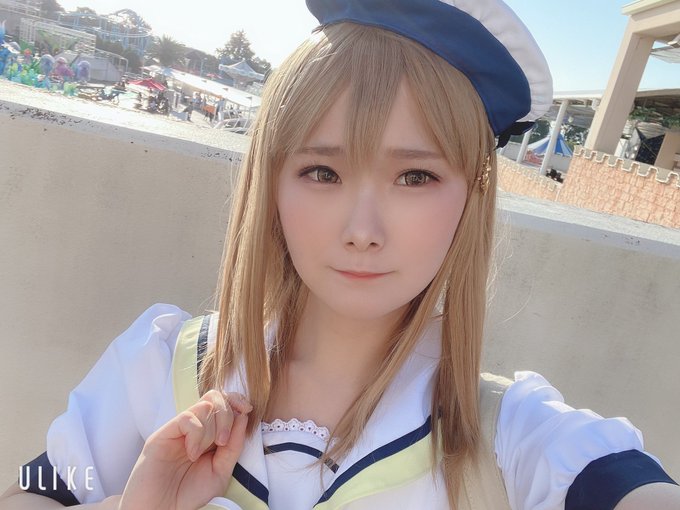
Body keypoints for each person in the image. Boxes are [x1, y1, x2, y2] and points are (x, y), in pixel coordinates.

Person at [1, 1, 679, 509]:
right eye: (322, 172)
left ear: (471, 197)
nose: (362, 231)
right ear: (271, 183)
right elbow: (36, 491)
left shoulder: (511, 435)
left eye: (415, 177)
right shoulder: (160, 364)